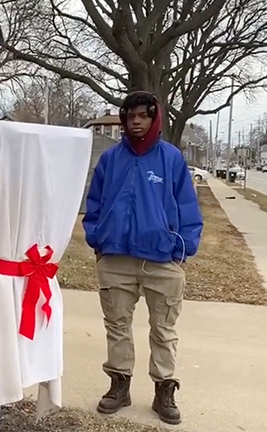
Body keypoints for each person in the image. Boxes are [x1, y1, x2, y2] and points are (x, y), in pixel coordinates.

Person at [82, 91, 203, 425]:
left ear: (154, 119)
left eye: (142, 116)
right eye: (130, 116)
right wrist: (98, 239)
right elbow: (93, 204)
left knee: (163, 329)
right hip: (116, 258)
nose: (135, 121)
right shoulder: (110, 160)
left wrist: (183, 249)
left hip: (162, 259)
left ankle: (164, 389)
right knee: (117, 326)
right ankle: (119, 386)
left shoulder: (171, 159)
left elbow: (188, 208)